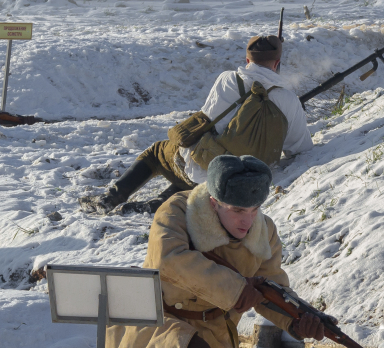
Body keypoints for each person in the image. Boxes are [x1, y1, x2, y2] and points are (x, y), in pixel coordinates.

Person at [103, 155, 327, 348]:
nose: (247, 220)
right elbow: (169, 260)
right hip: (158, 320)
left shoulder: (264, 232)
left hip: (217, 336)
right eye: (237, 210)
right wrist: (235, 289)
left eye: (254, 209)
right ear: (213, 203)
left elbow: (271, 288)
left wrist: (300, 320)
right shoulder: (176, 211)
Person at [80, 34, 312, 215]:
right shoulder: (289, 100)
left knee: (158, 152)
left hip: (203, 168)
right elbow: (299, 149)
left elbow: (207, 119)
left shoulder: (228, 79)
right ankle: (158, 204)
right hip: (240, 181)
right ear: (277, 63)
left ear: (247, 60)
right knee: (204, 174)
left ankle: (110, 199)